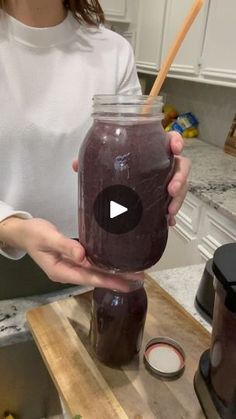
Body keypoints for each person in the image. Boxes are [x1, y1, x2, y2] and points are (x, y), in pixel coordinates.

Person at [0, 0, 191, 292]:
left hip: (99, 260)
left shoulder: (113, 51)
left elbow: (134, 152)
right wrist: (12, 228)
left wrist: (162, 166)